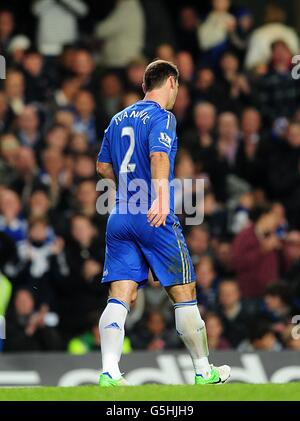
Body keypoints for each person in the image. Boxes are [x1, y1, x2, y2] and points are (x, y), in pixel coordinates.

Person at [96, 59, 231, 387]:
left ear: (145, 86)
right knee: (184, 292)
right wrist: (159, 198)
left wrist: (129, 191)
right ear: (171, 82)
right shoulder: (162, 117)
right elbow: (158, 156)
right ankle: (203, 370)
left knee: (121, 294)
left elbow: (102, 167)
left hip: (120, 214)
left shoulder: (117, 119)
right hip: (153, 215)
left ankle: (109, 372)